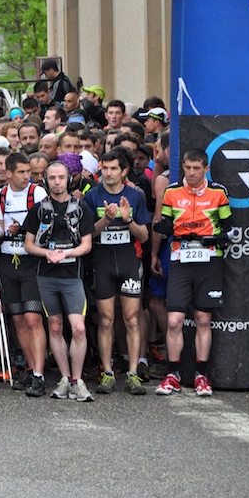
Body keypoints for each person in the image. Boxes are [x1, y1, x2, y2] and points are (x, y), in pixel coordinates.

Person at [153, 149, 231, 397]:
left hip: (209, 261)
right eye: (187, 168)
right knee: (174, 320)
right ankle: (173, 374)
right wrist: (163, 227)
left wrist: (218, 237)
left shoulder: (218, 192)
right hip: (180, 259)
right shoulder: (172, 192)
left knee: (203, 319)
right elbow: (164, 223)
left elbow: (230, 229)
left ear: (206, 169)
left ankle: (201, 375)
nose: (192, 173)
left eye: (197, 168)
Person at [22, 160, 95, 401]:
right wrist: (48, 254)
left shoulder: (81, 208)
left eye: (61, 177)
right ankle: (64, 379)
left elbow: (86, 244)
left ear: (68, 179)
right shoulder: (39, 209)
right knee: (54, 326)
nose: (56, 182)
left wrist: (65, 253)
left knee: (78, 328)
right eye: (52, 178)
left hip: (72, 276)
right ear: (45, 179)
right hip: (46, 276)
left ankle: (78, 379)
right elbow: (29, 244)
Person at [84, 150, 151, 395]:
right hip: (102, 263)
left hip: (129, 262)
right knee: (105, 319)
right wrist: (106, 220)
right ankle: (108, 372)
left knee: (132, 318)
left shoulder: (135, 196)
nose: (108, 173)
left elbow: (144, 236)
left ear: (124, 171)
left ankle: (133, 373)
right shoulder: (92, 196)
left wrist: (127, 220)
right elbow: (87, 234)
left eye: (114, 169)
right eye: (105, 168)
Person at [0, 153, 49, 396]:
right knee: (19, 319)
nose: (26, 177)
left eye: (28, 172)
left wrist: (23, 229)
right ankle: (32, 369)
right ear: (9, 173)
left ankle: (40, 373)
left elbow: (46, 228)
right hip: (7, 261)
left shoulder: (39, 194)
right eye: (21, 172)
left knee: (33, 318)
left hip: (32, 261)